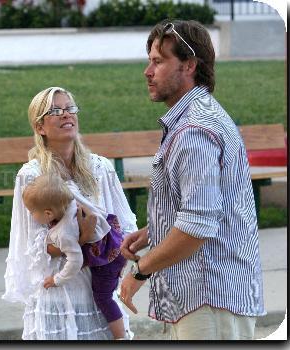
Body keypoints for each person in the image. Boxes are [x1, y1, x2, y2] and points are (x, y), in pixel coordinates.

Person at [119, 19, 266, 340]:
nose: (147, 71)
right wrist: (151, 233)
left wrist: (139, 271)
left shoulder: (194, 131)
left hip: (208, 299)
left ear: (189, 65)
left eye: (158, 61)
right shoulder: (198, 117)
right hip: (209, 298)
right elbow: (205, 207)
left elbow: (197, 226)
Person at [2, 86, 137, 340]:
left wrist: (115, 259)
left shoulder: (100, 168)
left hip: (100, 284)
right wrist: (82, 238)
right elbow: (35, 245)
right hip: (59, 288)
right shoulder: (31, 176)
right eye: (55, 111)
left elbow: (125, 224)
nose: (66, 115)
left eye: (70, 108)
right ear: (40, 127)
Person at [21, 173, 127, 339]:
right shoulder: (69, 194)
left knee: (103, 298)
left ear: (48, 214)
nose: (31, 215)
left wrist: (57, 279)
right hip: (113, 242)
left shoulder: (63, 233)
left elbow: (75, 261)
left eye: (32, 212)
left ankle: (121, 337)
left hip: (107, 261)